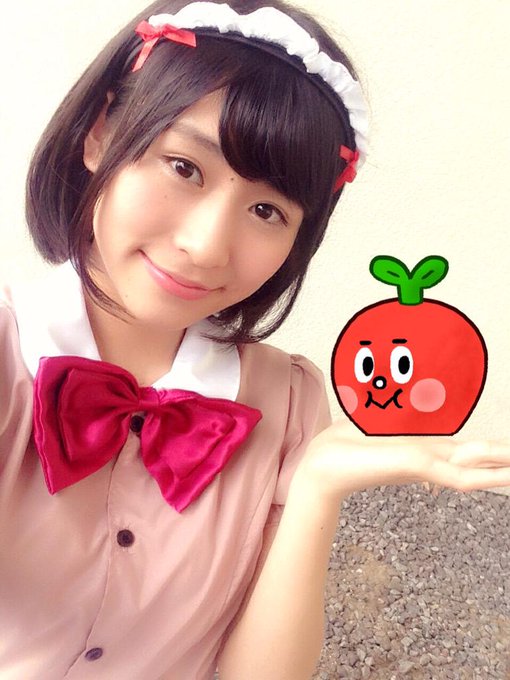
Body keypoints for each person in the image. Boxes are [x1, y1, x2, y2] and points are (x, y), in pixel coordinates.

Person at [1, 1, 509, 679]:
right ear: (99, 133)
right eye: (184, 167)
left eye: (267, 210)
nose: (207, 246)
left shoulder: (290, 404)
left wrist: (319, 488)